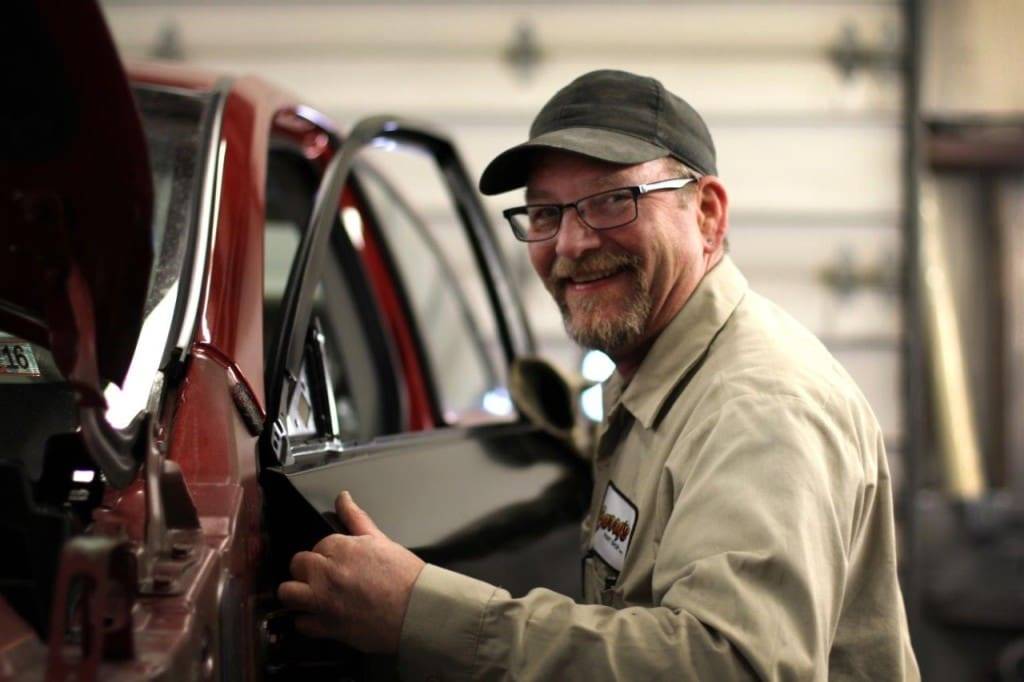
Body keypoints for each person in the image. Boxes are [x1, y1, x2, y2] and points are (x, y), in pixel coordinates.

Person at [278, 69, 920, 680]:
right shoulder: (660, 378)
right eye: (546, 213)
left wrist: (423, 613)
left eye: (613, 200)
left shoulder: (759, 408)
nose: (572, 244)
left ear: (707, 215)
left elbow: (731, 665)